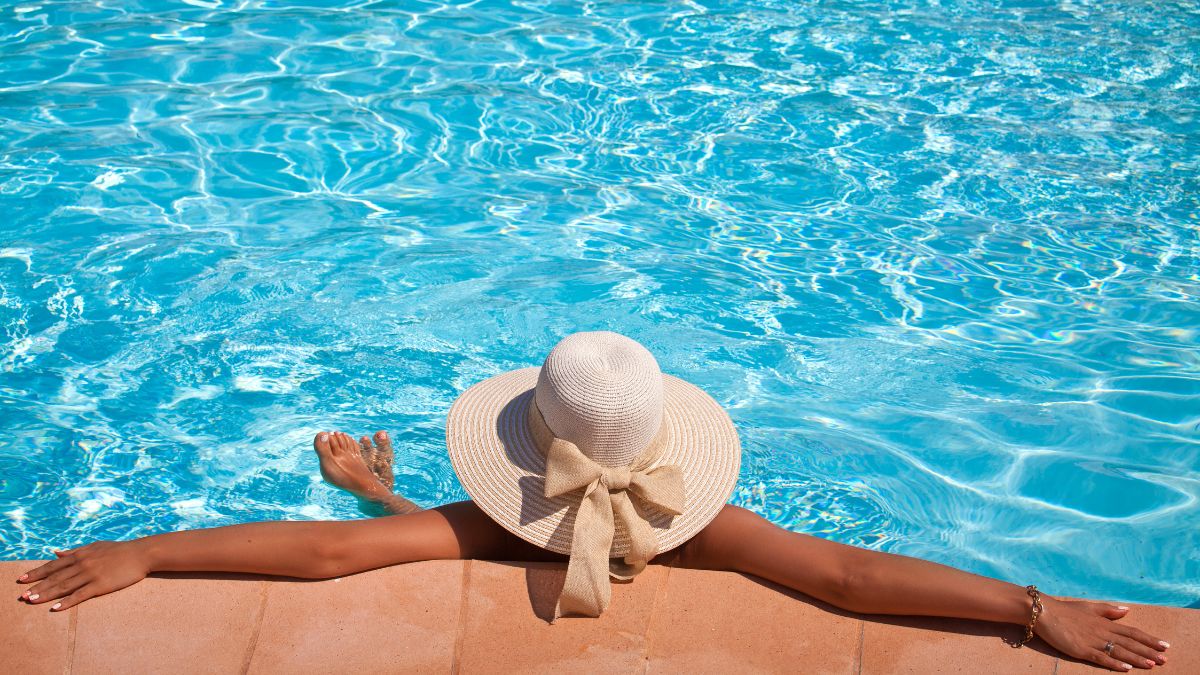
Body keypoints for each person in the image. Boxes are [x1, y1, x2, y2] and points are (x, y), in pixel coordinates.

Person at [17, 332, 1169, 671]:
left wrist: (154, 552)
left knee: (420, 541)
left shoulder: (482, 521)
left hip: (461, 529)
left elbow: (331, 565)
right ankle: (377, 487)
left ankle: (375, 487)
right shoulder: (707, 525)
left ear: (527, 448)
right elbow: (847, 576)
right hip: (640, 525)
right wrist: (1028, 611)